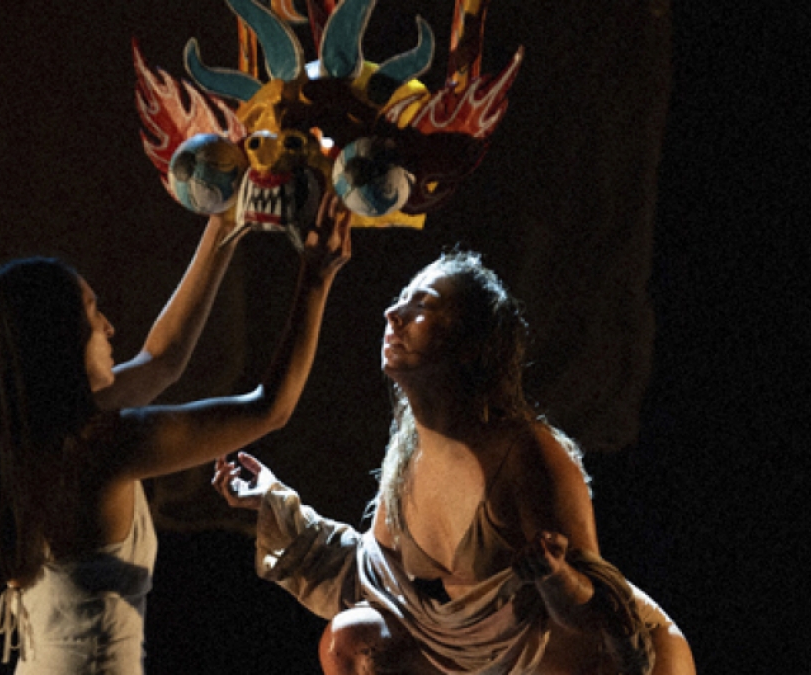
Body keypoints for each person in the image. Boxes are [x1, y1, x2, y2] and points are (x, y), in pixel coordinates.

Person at [213, 250, 696, 674]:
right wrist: (270, 500)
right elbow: (370, 573)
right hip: (479, 660)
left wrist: (555, 577)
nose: (392, 314)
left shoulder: (526, 454)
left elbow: (602, 617)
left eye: (421, 306)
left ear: (469, 343)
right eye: (400, 301)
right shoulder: (409, 450)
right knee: (351, 641)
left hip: (605, 660)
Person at [0, 192, 351, 673]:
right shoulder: (101, 447)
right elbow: (270, 409)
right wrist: (316, 277)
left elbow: (162, 360)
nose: (109, 327)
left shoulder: (29, 435)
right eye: (92, 313)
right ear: (61, 341)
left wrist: (224, 224)